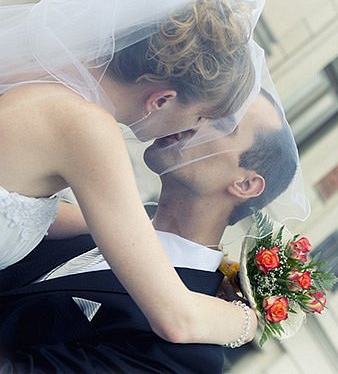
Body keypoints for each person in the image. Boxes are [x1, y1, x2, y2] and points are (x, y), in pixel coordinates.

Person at [0, 0, 308, 347]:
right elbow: (177, 319)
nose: (195, 130)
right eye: (202, 116)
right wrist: (252, 320)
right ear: (162, 99)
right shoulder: (89, 131)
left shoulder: (37, 72)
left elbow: (37, 213)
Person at [0, 89, 298, 372]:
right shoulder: (95, 218)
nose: (195, 117)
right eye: (207, 107)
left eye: (223, 122)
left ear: (245, 184)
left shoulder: (185, 355)